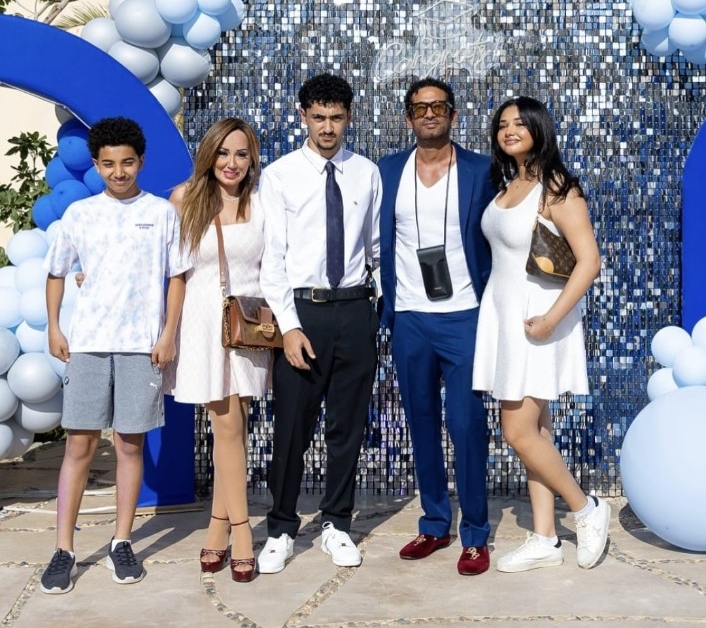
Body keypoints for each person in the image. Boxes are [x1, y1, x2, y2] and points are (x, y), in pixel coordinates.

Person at [40, 117, 189, 594]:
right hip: (88, 345)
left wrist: (168, 334)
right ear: (97, 164)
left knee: (129, 445)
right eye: (108, 164)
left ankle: (121, 542)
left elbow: (177, 277)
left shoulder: (162, 213)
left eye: (127, 162)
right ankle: (63, 549)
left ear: (141, 161)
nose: (118, 172)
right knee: (79, 446)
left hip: (141, 348)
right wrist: (55, 326)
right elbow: (56, 272)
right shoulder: (80, 214)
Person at [472, 96, 609, 572]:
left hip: (537, 320)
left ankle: (586, 508)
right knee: (537, 431)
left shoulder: (556, 187)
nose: (509, 130)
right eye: (502, 124)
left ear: (538, 128)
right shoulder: (510, 184)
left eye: (519, 123)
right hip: (505, 316)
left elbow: (589, 261)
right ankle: (545, 537)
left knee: (517, 430)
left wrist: (551, 319)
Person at [257, 73, 380, 573]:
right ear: (303, 116)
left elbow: (375, 248)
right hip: (303, 311)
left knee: (347, 425)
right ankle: (282, 528)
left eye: (336, 117)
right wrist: (289, 326)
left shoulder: (366, 172)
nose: (327, 127)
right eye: (318, 117)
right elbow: (272, 259)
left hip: (354, 309)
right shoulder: (279, 175)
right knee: (291, 427)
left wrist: (376, 310)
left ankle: (337, 523)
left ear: (348, 118)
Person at [378, 78, 495, 576]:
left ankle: (476, 534)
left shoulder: (482, 170)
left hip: (465, 314)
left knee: (467, 425)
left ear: (453, 115)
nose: (429, 114)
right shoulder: (387, 171)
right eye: (420, 108)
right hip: (409, 317)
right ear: (408, 118)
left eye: (439, 107)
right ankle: (434, 524)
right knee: (421, 421)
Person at [164, 118, 270, 583]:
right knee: (225, 425)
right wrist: (168, 332)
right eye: (223, 153)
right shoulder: (184, 198)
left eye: (241, 154)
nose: (232, 163)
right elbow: (173, 272)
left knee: (235, 429)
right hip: (204, 326)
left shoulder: (262, 203)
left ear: (252, 159)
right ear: (208, 154)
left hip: (248, 327)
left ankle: (217, 525)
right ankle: (242, 532)